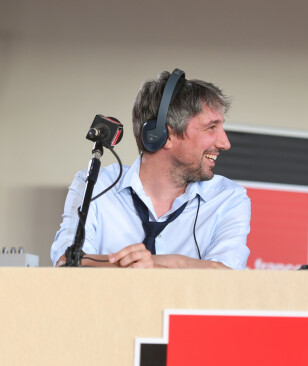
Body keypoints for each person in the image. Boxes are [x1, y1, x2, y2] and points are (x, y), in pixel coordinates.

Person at [51, 69, 250, 269]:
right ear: (162, 135)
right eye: (211, 128)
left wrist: (158, 262)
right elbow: (66, 261)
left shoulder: (229, 198)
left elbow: (226, 275)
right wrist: (158, 266)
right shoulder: (94, 186)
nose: (225, 143)